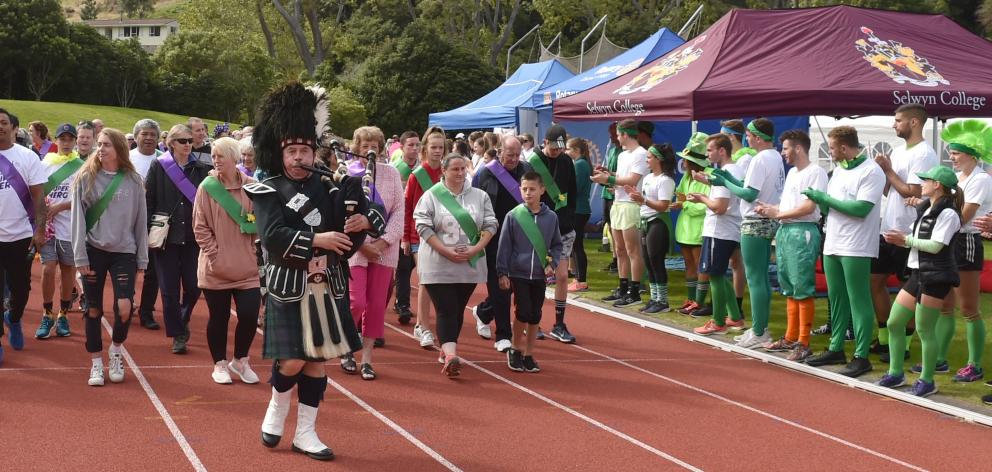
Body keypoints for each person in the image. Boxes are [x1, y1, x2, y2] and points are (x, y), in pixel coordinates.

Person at [249, 82, 380, 461]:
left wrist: (362, 224)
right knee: (292, 358)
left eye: (304, 149)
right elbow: (273, 236)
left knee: (318, 359)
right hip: (290, 283)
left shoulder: (331, 185)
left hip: (328, 281)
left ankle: (307, 432)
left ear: (314, 150)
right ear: (280, 152)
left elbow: (370, 216)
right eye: (291, 151)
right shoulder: (267, 189)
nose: (298, 157)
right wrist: (319, 239)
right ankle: (276, 406)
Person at [804, 126, 886, 378]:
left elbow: (861, 208)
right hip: (833, 242)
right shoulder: (839, 171)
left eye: (831, 147)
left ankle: (861, 355)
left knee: (858, 298)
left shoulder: (871, 170)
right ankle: (836, 347)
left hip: (857, 245)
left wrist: (825, 200)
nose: (830, 152)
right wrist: (821, 202)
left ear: (843, 147)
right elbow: (832, 209)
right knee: (837, 298)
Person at [70, 127, 148, 386]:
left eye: (106, 145)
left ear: (119, 150)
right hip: (93, 251)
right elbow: (77, 221)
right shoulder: (85, 177)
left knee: (124, 308)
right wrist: (79, 256)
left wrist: (142, 258)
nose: (100, 149)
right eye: (99, 144)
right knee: (93, 310)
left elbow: (140, 221)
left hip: (124, 251)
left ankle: (116, 350)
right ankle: (95, 363)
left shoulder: (134, 181)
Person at [877, 166, 962, 397]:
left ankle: (927, 380)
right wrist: (906, 235)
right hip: (918, 273)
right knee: (895, 322)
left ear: (938, 185)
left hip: (936, 276)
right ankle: (896, 373)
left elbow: (936, 246)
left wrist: (904, 240)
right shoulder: (930, 207)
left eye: (926, 180)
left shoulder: (949, 214)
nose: (922, 183)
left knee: (925, 330)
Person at [415, 153, 497, 376]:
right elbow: (422, 226)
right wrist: (445, 251)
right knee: (446, 308)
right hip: (437, 264)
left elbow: (491, 224)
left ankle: (446, 349)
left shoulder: (480, 196)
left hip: (468, 265)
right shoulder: (432, 196)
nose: (460, 173)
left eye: (463, 169)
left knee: (458, 309)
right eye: (455, 169)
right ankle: (451, 354)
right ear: (444, 171)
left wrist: (477, 248)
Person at [923, 119, 992, 383]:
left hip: (966, 243)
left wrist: (933, 226)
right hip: (948, 242)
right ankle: (939, 359)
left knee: (969, 308)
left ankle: (974, 365)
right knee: (945, 306)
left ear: (972, 154)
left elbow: (963, 217)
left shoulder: (980, 179)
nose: (951, 157)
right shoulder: (960, 178)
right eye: (951, 152)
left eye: (956, 153)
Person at [707, 118, 785, 348]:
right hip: (768, 218)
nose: (746, 139)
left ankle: (760, 330)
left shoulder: (760, 158)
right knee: (759, 278)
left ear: (758, 137)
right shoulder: (775, 156)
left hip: (755, 220)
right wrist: (729, 179)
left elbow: (749, 194)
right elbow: (748, 187)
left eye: (749, 136)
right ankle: (760, 327)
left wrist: (726, 182)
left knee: (755, 278)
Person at [870, 104, 938, 360]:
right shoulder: (898, 151)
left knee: (907, 289)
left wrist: (888, 171)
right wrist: (882, 174)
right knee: (874, 281)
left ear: (914, 122)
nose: (893, 124)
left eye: (898, 120)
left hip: (908, 231)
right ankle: (886, 339)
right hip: (888, 228)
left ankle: (905, 345)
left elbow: (914, 191)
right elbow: (892, 190)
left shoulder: (924, 153)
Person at [192, 137, 261, 385]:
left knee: (250, 314)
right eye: (214, 155)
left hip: (247, 268)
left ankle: (240, 360)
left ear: (235, 158)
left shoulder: (253, 186)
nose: (216, 160)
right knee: (218, 317)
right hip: (216, 269)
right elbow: (200, 228)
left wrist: (251, 233)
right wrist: (215, 256)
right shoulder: (206, 187)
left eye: (221, 155)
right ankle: (219, 363)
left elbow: (260, 222)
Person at [754, 130, 828, 361]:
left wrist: (778, 213)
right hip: (786, 230)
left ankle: (804, 342)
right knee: (788, 285)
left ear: (798, 148)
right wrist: (772, 209)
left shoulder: (816, 172)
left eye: (785, 148)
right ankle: (790, 336)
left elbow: (808, 207)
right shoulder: (794, 173)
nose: (782, 152)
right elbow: (790, 205)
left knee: (802, 286)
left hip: (802, 231)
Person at [342, 126, 404, 379]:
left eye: (375, 145)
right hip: (355, 249)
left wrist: (382, 243)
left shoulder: (392, 174)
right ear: (356, 147)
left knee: (377, 305)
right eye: (365, 144)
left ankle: (367, 358)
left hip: (384, 251)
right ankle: (346, 348)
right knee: (356, 302)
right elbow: (340, 215)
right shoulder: (347, 174)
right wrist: (361, 244)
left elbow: (399, 212)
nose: (370, 149)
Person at [145, 124, 212, 354]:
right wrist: (146, 231)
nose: (187, 145)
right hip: (166, 238)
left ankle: (182, 320)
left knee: (194, 288)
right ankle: (178, 334)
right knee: (169, 289)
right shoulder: (159, 166)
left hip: (194, 237)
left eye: (189, 141)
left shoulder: (202, 168)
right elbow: (149, 200)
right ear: (171, 143)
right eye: (182, 141)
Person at [472, 135, 531, 352]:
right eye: (510, 154)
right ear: (499, 152)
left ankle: (484, 312)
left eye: (517, 154)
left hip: (520, 236)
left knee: (517, 284)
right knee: (500, 285)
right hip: (494, 236)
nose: (514, 159)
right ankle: (503, 335)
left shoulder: (526, 170)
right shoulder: (485, 173)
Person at [498, 171, 562, 372]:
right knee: (522, 311)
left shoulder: (551, 218)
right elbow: (504, 246)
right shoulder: (514, 216)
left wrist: (552, 262)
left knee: (535, 314)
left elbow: (556, 245)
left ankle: (529, 353)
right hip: (519, 272)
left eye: (532, 189)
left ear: (542, 190)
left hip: (540, 274)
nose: (528, 193)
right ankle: (515, 349)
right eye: (524, 189)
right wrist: (502, 272)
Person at [0, 108, 48, 365]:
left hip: (21, 236)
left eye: (4, 122)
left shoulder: (27, 157)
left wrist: (40, 230)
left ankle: (14, 318)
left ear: (13, 127)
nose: (0, 127)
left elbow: (39, 197)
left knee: (21, 289)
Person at [689, 134, 745, 335]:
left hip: (719, 230)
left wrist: (702, 197)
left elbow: (720, 207)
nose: (707, 154)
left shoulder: (727, 171)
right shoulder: (732, 169)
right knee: (719, 274)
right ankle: (735, 317)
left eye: (710, 150)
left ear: (722, 151)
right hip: (726, 229)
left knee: (714, 274)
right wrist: (707, 185)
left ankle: (718, 321)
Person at [529, 124, 577, 343]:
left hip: (563, 227)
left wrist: (570, 219)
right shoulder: (532, 162)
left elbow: (573, 192)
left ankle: (559, 323)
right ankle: (533, 321)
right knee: (537, 277)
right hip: (538, 227)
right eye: (554, 148)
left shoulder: (567, 161)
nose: (557, 152)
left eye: (560, 149)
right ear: (545, 142)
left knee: (562, 276)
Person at [594, 119, 649, 307]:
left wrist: (608, 178)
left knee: (633, 250)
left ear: (625, 134)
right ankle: (623, 288)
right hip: (618, 203)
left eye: (618, 134)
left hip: (631, 205)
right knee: (619, 250)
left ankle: (635, 292)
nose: (617, 138)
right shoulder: (623, 155)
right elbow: (619, 178)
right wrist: (608, 174)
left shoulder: (642, 154)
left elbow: (633, 180)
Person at [36, 123, 83, 339]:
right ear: (56, 141)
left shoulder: (82, 166)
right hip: (48, 227)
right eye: (62, 139)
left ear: (75, 141)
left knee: (68, 272)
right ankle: (47, 313)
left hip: (70, 228)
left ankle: (63, 314)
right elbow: (35, 192)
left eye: (69, 139)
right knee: (47, 269)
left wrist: (61, 206)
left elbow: (86, 199)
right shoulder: (45, 164)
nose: (66, 143)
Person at [404, 126, 445, 349]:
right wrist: (405, 238)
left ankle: (431, 325)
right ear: (425, 149)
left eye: (441, 147)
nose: (437, 151)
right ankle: (422, 326)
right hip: (418, 235)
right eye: (434, 147)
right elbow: (408, 207)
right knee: (426, 279)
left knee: (439, 281)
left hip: (444, 236)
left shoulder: (449, 173)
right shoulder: (417, 175)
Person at [627, 143, 677, 313]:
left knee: (656, 260)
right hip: (645, 221)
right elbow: (646, 200)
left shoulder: (666, 180)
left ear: (658, 159)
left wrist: (643, 201)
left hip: (658, 222)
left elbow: (663, 206)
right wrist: (637, 198)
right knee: (648, 261)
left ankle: (662, 301)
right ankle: (654, 298)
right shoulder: (648, 178)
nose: (646, 160)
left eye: (649, 157)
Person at [672, 132, 711, 316]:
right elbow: (680, 195)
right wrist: (679, 202)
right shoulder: (686, 177)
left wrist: (684, 204)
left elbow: (706, 205)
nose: (684, 162)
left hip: (700, 229)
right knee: (688, 263)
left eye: (686, 159)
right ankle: (691, 299)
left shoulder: (708, 176)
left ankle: (700, 301)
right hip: (684, 228)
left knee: (700, 265)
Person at [131, 119, 164, 330]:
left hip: (155, 221)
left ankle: (146, 310)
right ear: (136, 137)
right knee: (127, 265)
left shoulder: (164, 160)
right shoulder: (125, 158)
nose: (149, 138)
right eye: (145, 134)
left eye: (153, 134)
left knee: (153, 270)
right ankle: (124, 305)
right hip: (128, 219)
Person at [392, 131, 420, 324]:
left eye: (418, 145)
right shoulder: (394, 169)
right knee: (403, 266)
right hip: (401, 222)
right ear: (401, 147)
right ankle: (403, 304)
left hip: (422, 224)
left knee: (414, 267)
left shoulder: (423, 169)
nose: (415, 148)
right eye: (411, 145)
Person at [566, 137, 592, 292]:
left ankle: (581, 280)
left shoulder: (580, 164)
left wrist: (562, 196)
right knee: (575, 246)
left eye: (568, 149)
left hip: (579, 210)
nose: (566, 151)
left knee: (577, 246)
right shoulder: (580, 163)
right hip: (578, 209)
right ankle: (578, 278)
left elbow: (575, 188)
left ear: (576, 151)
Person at [600, 122, 621, 273]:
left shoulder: (626, 152)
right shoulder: (613, 150)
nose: (611, 137)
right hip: (607, 193)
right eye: (611, 134)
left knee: (617, 228)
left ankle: (619, 260)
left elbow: (622, 176)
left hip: (617, 194)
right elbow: (613, 171)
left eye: (614, 134)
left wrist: (609, 175)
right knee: (610, 226)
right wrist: (604, 171)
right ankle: (615, 259)